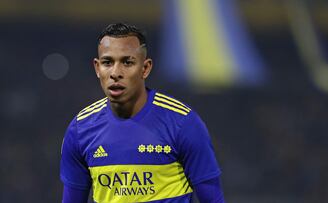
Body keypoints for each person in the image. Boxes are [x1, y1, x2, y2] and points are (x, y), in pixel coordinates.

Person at [60, 23, 225, 203]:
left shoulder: (183, 123)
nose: (116, 73)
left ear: (145, 68)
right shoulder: (80, 129)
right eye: (108, 62)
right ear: (97, 68)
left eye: (127, 62)